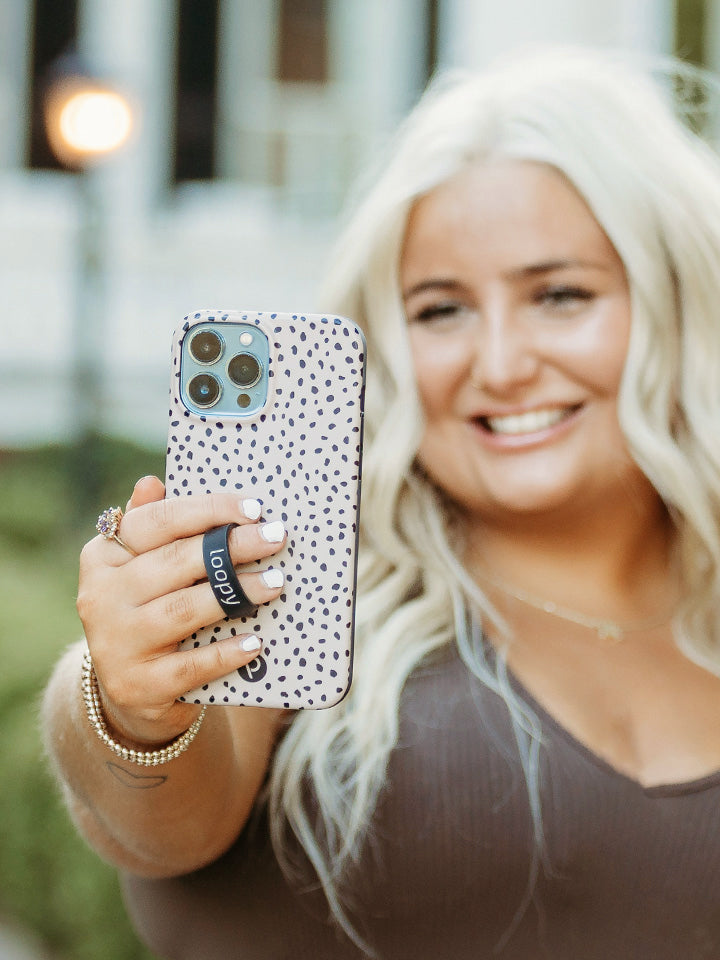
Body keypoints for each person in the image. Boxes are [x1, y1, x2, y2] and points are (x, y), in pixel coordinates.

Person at [42, 45, 720, 959]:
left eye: (559, 295)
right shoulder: (308, 558)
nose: (502, 364)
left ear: (674, 298)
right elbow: (151, 826)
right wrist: (127, 703)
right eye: (441, 310)